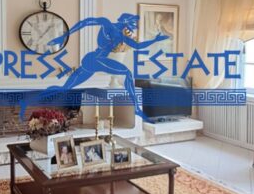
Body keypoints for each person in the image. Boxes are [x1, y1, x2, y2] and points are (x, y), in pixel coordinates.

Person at [23, 12, 168, 122]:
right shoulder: (107, 23)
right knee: (127, 73)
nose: (134, 26)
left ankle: (27, 101)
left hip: (92, 62)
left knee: (64, 88)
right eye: (132, 23)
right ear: (124, 21)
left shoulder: (122, 36)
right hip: (95, 60)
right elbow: (85, 22)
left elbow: (138, 46)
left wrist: (155, 40)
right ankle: (136, 108)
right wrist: (64, 36)